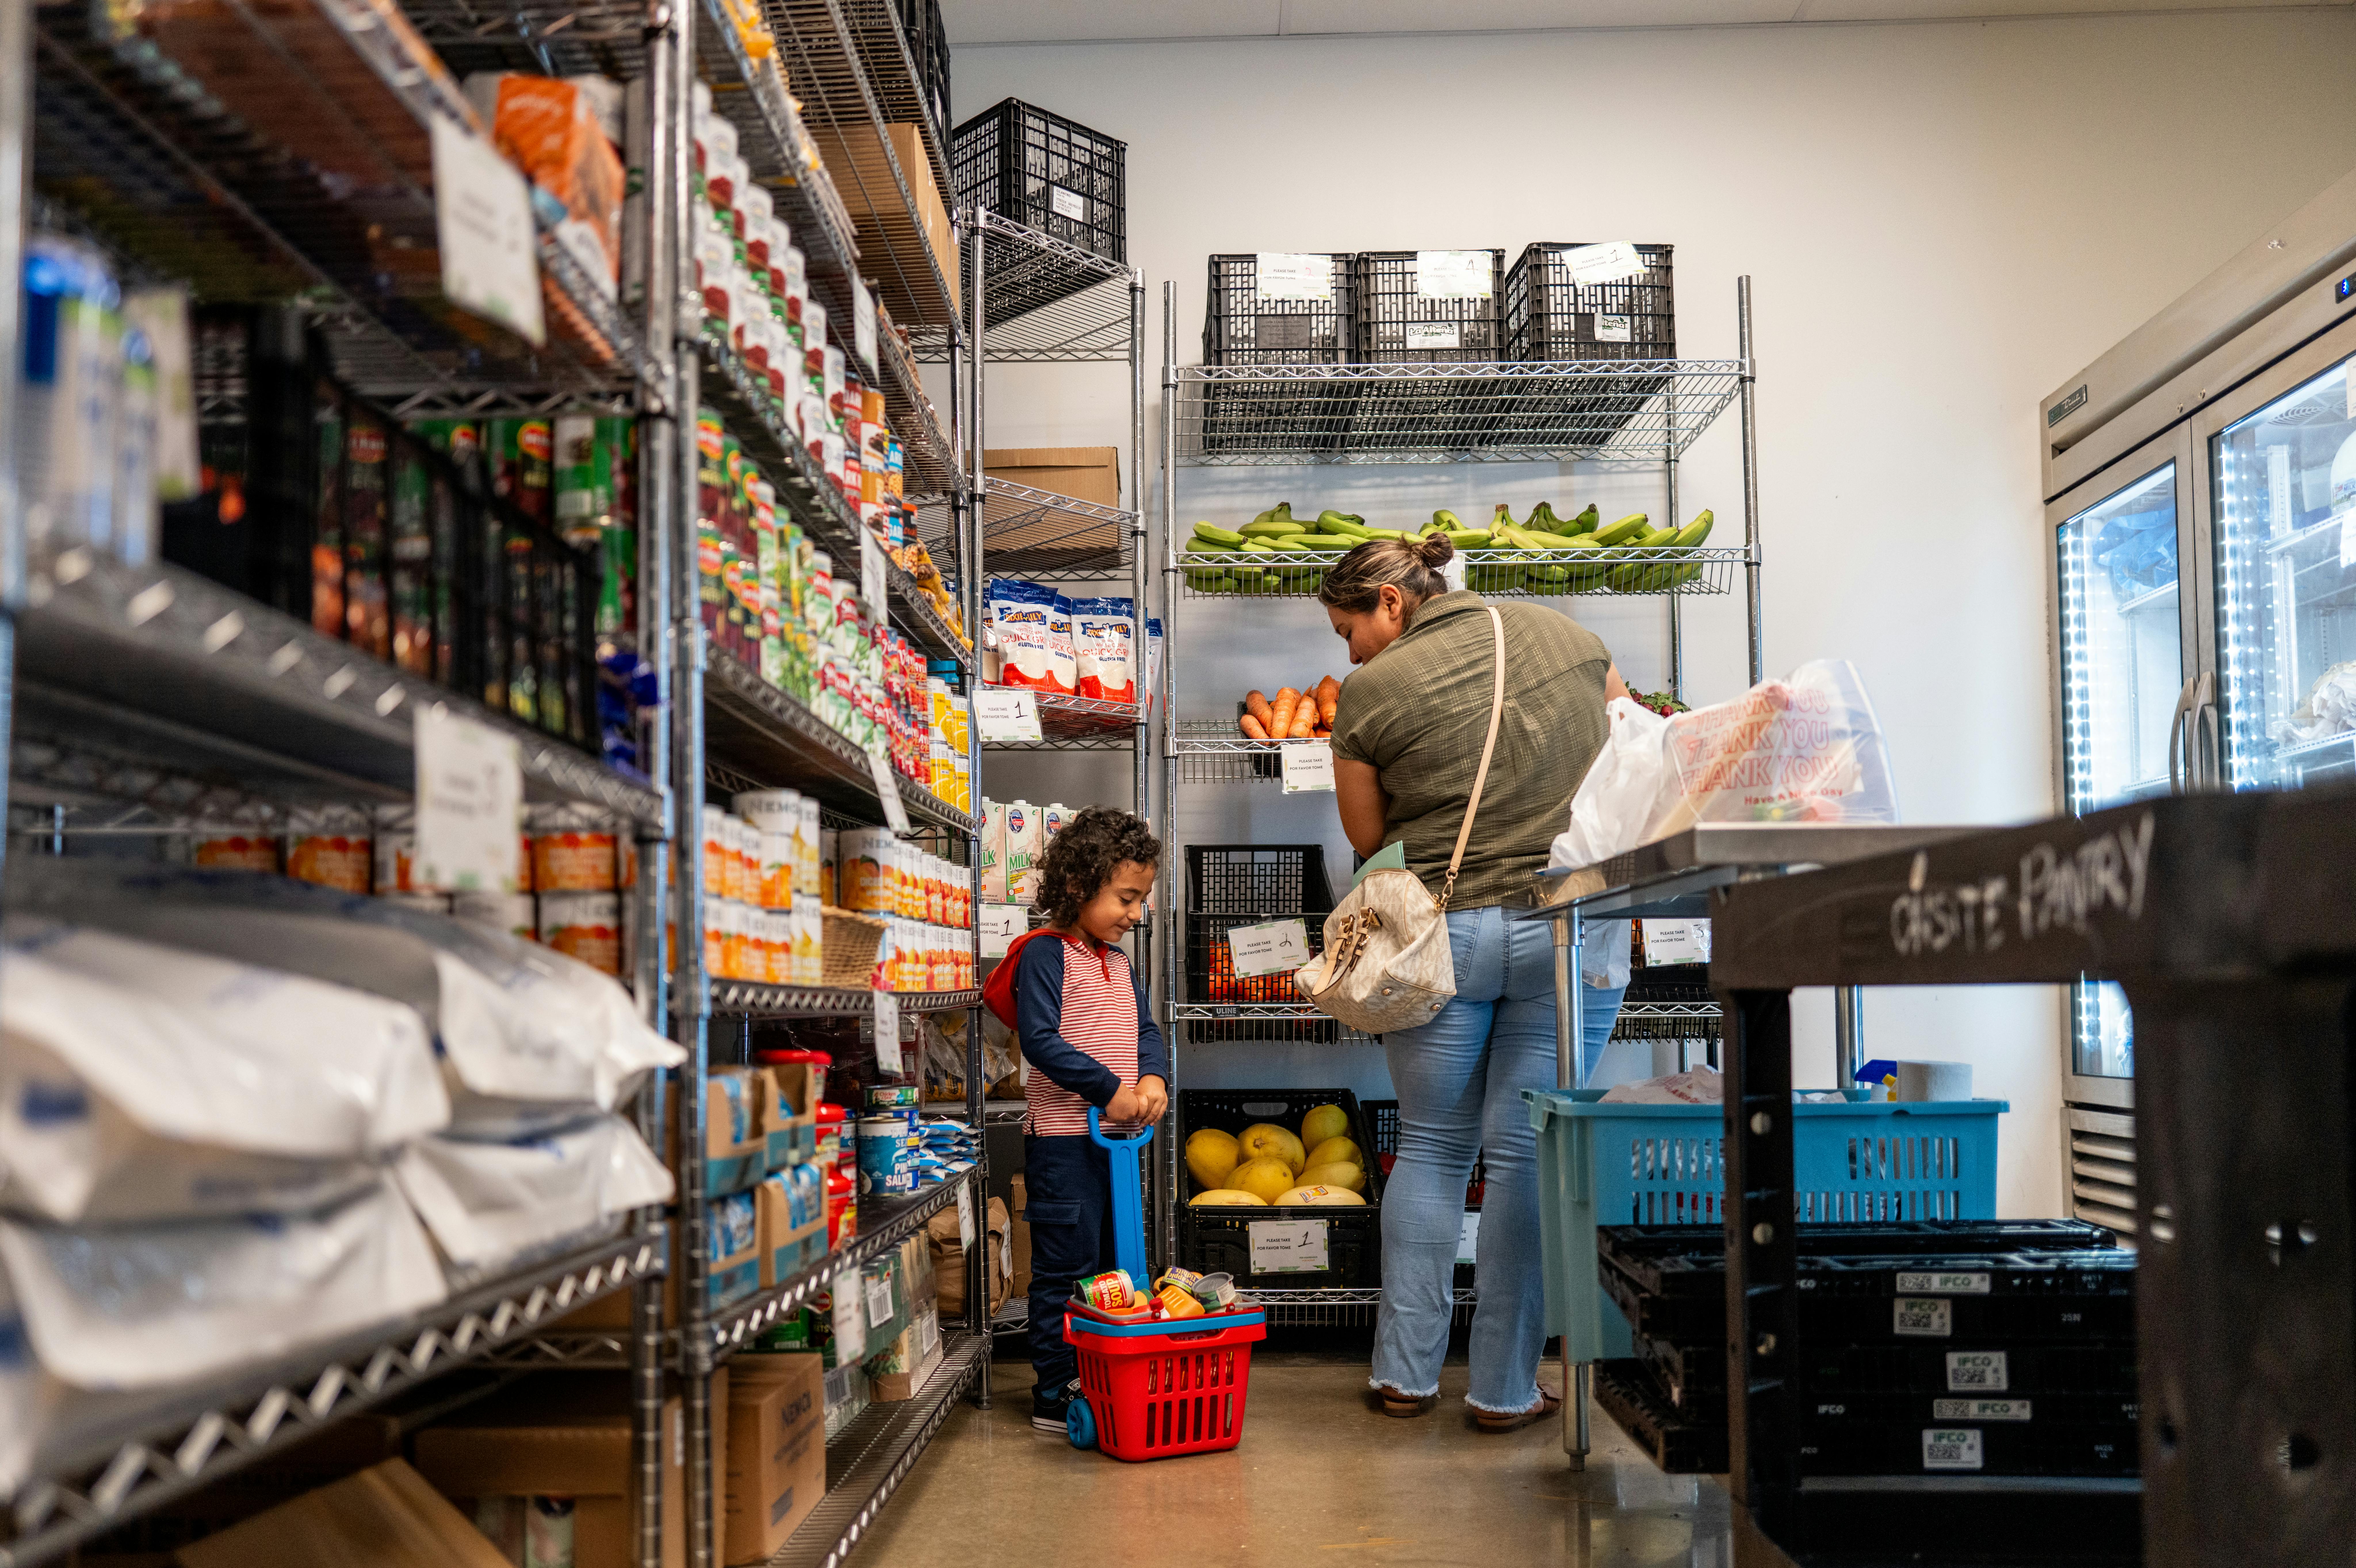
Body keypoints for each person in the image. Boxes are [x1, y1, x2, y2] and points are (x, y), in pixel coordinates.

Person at [1320, 532, 1629, 1431]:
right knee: (1528, 1153)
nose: (1350, 653)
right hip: (1572, 925)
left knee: (1431, 1146)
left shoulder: (1370, 693)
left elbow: (1368, 836)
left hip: (1442, 936)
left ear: (1390, 598)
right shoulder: (1571, 638)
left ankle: (1405, 1378)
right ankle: (1504, 1389)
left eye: (1350, 628)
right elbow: (1634, 753)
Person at [978, 806, 1168, 1433]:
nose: (1135, 914)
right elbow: (1041, 1042)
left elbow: (1144, 1029)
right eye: (1126, 897)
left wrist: (1150, 1077)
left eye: (1140, 899)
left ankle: (1103, 1371)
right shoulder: (1044, 956)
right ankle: (1054, 1389)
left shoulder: (1119, 962)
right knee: (1065, 1267)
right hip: (1063, 1145)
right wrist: (1108, 1088)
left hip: (1115, 1143)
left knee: (1115, 1265)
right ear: (1079, 883)